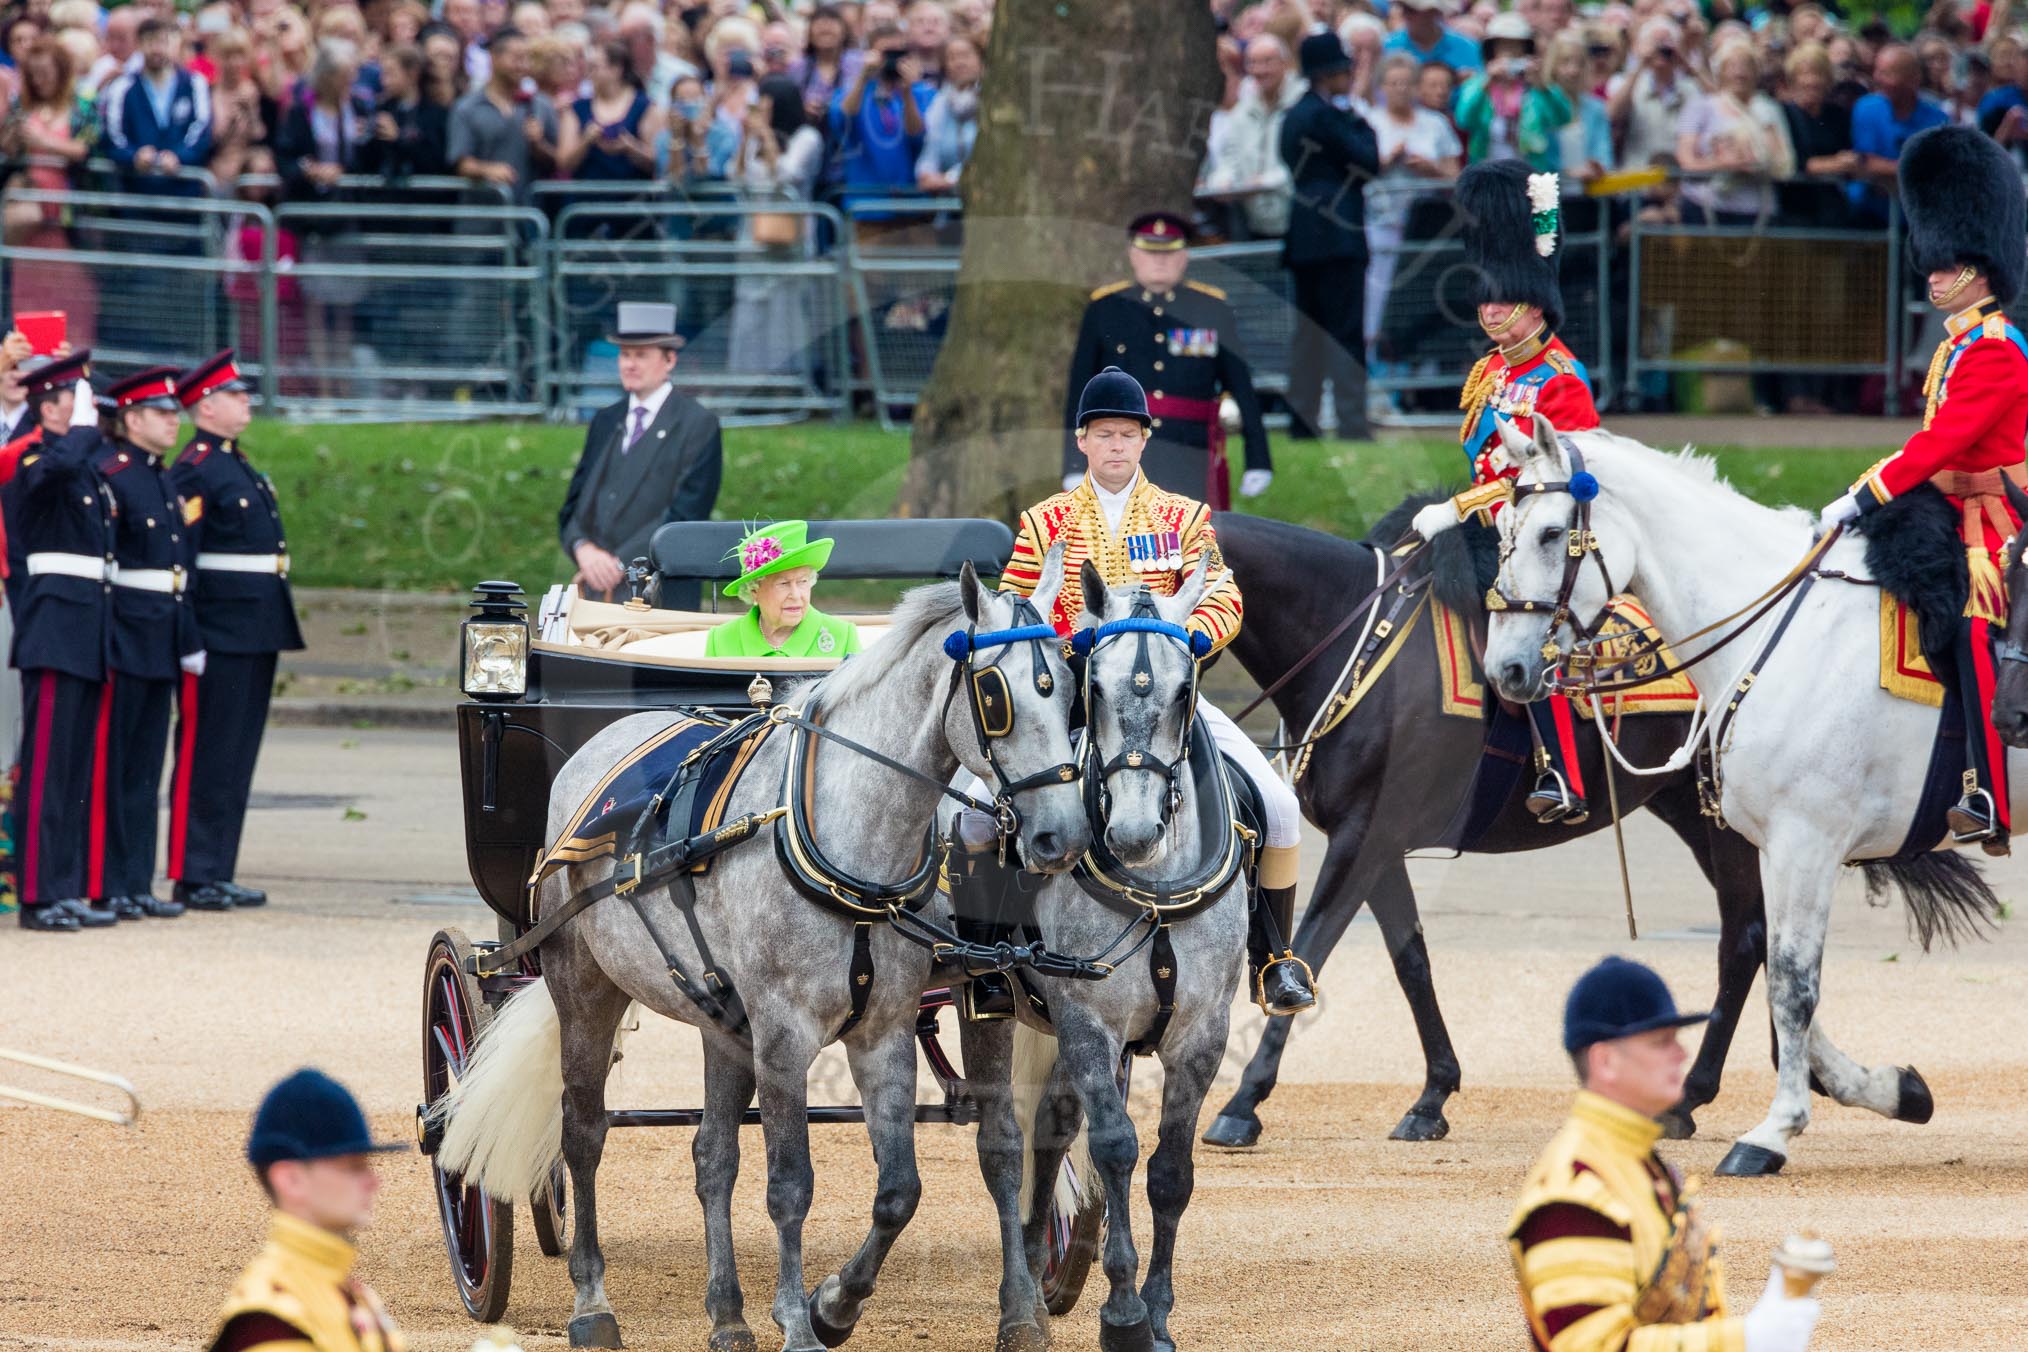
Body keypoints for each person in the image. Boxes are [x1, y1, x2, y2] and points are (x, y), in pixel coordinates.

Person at [992, 367, 1316, 1018]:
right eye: (1105, 434)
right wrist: (1064, 645)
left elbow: (1222, 593)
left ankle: (1272, 957)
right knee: (978, 813)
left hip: (1165, 704)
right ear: (1082, 440)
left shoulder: (1184, 517)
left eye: (1128, 434)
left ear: (1145, 441)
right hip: (1070, 706)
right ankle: (995, 956)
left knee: (1279, 808)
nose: (1117, 445)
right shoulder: (1045, 521)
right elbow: (1012, 609)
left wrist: (1193, 638)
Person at [1818, 127, 2028, 855]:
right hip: (1951, 501)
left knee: (1975, 623)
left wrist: (1865, 493)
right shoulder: (1958, 342)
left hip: (1997, 515)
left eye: (1946, 268)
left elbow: (1943, 443)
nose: (1933, 278)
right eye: (1932, 266)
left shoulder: (1996, 350)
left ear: (1980, 271)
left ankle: (1991, 794)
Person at [1411, 160, 1600, 825]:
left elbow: (1552, 477)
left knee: (1518, 630)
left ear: (1536, 301)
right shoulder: (1488, 368)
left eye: (1504, 301)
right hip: (1488, 518)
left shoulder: (1562, 378)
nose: (1491, 312)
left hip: (1538, 529)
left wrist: (1462, 509)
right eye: (1485, 300)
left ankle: (1562, 773)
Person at [1510, 957, 1823, 1352]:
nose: (1681, 1055)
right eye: (1660, 1042)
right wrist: (1742, 1341)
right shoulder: (1577, 1190)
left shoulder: (1637, 1166)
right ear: (1605, 1061)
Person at [165, 351, 301, 912]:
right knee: (207, 753)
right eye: (235, 395)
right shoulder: (195, 468)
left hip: (254, 626)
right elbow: (183, 562)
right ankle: (193, 873)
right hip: (217, 630)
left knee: (237, 754)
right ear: (206, 406)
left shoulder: (235, 462)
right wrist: (188, 634)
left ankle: (217, 868)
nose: (246, 402)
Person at [7, 350, 121, 932]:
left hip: (86, 630)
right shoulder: (32, 457)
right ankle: (35, 893)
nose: (89, 418)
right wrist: (76, 430)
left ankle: (63, 885)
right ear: (48, 407)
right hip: (54, 629)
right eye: (75, 404)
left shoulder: (86, 466)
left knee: (73, 771)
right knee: (48, 768)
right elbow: (53, 471)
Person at [88, 368, 205, 920]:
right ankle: (108, 882)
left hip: (160, 634)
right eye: (161, 413)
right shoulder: (113, 473)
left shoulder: (159, 477)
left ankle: (136, 880)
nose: (172, 421)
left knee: (143, 768)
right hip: (126, 632)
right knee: (114, 765)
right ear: (131, 419)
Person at [1060, 212, 1272, 511]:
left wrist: (1258, 459)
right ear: (1132, 254)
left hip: (1190, 453)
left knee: (1192, 540)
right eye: (1149, 251)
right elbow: (1080, 394)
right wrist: (1072, 462)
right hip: (1121, 451)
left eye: (1169, 252)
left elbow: (1241, 387)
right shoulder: (1105, 309)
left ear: (1185, 256)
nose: (1159, 260)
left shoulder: (1212, 308)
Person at [205, 1068, 407, 1352]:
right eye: (353, 1167)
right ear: (291, 1179)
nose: (374, 1181)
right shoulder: (270, 1322)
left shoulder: (345, 1293)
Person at [558, 302, 723, 610]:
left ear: (669, 359)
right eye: (625, 354)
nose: (629, 364)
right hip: (597, 598)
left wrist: (618, 564)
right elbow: (575, 506)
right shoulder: (606, 420)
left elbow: (685, 516)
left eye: (641, 355)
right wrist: (584, 549)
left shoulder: (698, 424)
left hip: (662, 600)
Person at [1279, 31, 1379, 441]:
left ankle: (1302, 422)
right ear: (1327, 74)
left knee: (1308, 336)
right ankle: (1351, 422)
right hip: (1339, 236)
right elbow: (1368, 159)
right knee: (1344, 333)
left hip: (1305, 237)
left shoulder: (1295, 116)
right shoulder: (1330, 117)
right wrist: (1353, 120)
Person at [1675, 41, 1794, 224]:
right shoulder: (1702, 106)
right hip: (1707, 208)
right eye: (1732, 66)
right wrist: (1724, 164)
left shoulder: (1768, 109)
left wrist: (1761, 162)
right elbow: (1686, 161)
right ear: (1721, 72)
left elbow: (1783, 162)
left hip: (1758, 211)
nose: (1740, 73)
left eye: (1746, 65)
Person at [703, 521, 862, 657]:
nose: (796, 595)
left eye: (802, 581)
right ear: (755, 592)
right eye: (783, 584)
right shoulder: (721, 640)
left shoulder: (842, 636)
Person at [1202, 34, 1303, 241]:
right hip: (1254, 223)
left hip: (1297, 217)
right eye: (1253, 63)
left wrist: (1265, 181)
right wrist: (1223, 182)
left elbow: (1305, 163)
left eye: (1267, 61)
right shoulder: (1242, 112)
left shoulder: (1302, 106)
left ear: (1285, 63)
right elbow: (1229, 159)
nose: (1260, 70)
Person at [100, 16, 215, 194]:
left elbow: (202, 128)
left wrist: (179, 156)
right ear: (139, 44)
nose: (157, 49)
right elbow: (113, 134)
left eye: (163, 41)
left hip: (184, 192)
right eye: (150, 41)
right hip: (136, 191)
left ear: (175, 44)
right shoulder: (121, 87)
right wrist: (134, 156)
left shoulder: (195, 84)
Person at [447, 25, 558, 204]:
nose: (522, 65)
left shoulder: (540, 105)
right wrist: (487, 170)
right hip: (480, 219)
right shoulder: (467, 107)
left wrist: (539, 145)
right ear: (493, 58)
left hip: (528, 218)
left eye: (526, 58)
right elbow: (461, 164)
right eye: (516, 58)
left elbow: (558, 163)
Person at [1846, 43, 1945, 227]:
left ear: (1912, 79)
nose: (1877, 78)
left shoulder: (1937, 118)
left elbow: (1936, 170)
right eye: (1877, 71)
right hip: (1868, 215)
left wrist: (1893, 172)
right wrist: (1912, 172)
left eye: (1887, 73)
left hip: (1918, 220)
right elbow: (1865, 162)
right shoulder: (1865, 108)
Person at [1455, 13, 1570, 168]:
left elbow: (1563, 118)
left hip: (1530, 172)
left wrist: (1542, 86)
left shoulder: (1536, 87)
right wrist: (1488, 81)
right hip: (1487, 171)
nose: (1509, 51)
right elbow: (1463, 120)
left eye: (1516, 45)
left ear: (1526, 49)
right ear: (1491, 49)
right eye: (1502, 45)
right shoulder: (1477, 84)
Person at [1383, 0, 1484, 74]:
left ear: (1433, 13)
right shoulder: (1388, 47)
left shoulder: (1468, 48)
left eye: (1411, 10)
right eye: (1404, 9)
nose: (1406, 15)